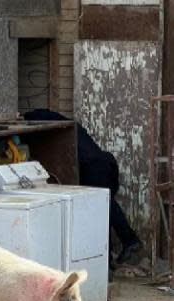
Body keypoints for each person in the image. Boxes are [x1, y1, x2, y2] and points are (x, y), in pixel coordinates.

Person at [23, 109, 143, 265]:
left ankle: (127, 242)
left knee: (103, 207)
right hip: (104, 163)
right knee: (104, 208)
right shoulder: (71, 126)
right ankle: (111, 256)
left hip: (94, 167)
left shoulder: (59, 130)